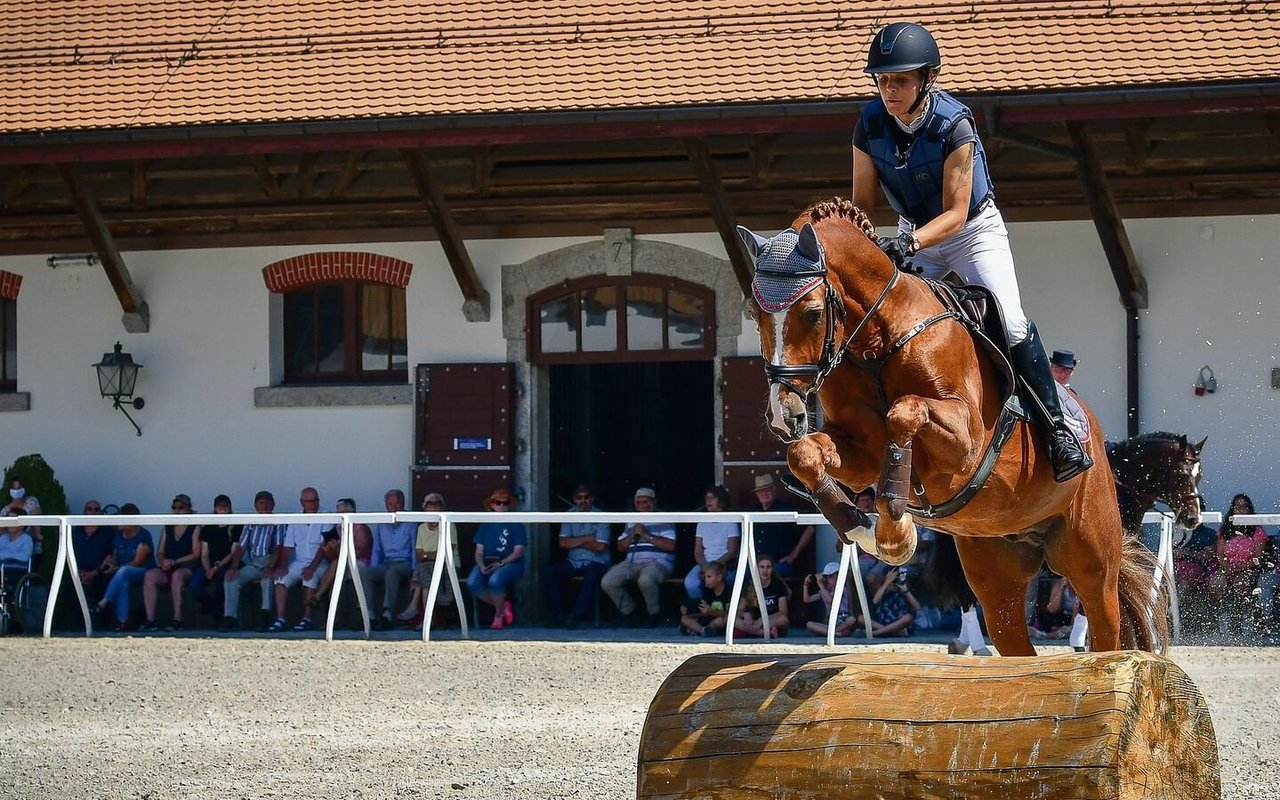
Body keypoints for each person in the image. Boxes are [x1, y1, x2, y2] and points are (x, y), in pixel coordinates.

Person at [853, 22, 1091, 482]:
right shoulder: (869, 124)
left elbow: (956, 213)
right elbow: (862, 203)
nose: (889, 89)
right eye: (882, 80)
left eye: (899, 80)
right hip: (913, 232)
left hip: (970, 231)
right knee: (877, 317)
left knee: (1011, 318)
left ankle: (1056, 427)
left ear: (928, 78)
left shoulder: (954, 123)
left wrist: (910, 242)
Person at [600, 487, 678, 625]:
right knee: (608, 582)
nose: (644, 505)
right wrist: (632, 535)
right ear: (636, 504)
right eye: (640, 502)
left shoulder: (664, 519)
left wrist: (646, 535)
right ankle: (630, 612)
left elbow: (670, 546)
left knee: (645, 580)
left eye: (647, 501)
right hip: (633, 561)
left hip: (658, 562)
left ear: (654, 502)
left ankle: (654, 613)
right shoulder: (631, 520)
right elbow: (620, 547)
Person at [266, 487, 336, 633]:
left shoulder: (327, 515)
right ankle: (281, 619)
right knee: (280, 579)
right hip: (299, 561)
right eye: (309, 501)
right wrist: (283, 565)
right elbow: (288, 546)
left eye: (315, 500)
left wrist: (312, 568)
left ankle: (307, 619)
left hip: (320, 561)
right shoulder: (295, 517)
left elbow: (324, 547)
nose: (313, 504)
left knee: (310, 578)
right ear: (302, 502)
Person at [546, 484, 612, 629]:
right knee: (551, 573)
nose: (583, 500)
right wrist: (588, 538)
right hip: (573, 561)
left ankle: (576, 616)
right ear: (574, 499)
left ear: (592, 499)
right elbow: (562, 543)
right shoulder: (569, 515)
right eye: (579, 497)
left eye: (586, 497)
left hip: (597, 561)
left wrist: (575, 542)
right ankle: (558, 616)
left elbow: (601, 547)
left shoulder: (602, 516)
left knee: (592, 574)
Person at [220, 490, 287, 632]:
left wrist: (270, 566)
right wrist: (234, 567)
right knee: (231, 578)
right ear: (256, 505)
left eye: (267, 503)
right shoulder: (250, 523)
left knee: (268, 579)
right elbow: (241, 547)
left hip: (270, 560)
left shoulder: (278, 522)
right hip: (254, 563)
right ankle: (230, 617)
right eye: (261, 503)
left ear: (273, 505)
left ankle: (265, 615)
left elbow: (278, 548)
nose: (264, 506)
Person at [397, 492, 460, 630]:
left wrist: (428, 555)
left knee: (422, 573)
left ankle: (416, 610)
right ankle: (428, 619)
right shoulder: (421, 528)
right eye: (429, 505)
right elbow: (419, 554)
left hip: (447, 565)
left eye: (436, 504)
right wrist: (431, 555)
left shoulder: (449, 525)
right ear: (424, 508)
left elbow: (446, 551)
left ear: (441, 507)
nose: (433, 508)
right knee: (425, 577)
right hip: (426, 566)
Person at [466, 488, 527, 630]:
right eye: (498, 503)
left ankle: (498, 615)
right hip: (488, 561)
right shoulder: (485, 524)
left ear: (509, 505)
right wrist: (481, 565)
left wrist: (500, 564)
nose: (501, 506)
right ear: (492, 505)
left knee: (495, 580)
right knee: (472, 583)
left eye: (505, 503)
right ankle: (502, 605)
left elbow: (518, 552)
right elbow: (478, 552)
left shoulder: (516, 523)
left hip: (512, 563)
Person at [140, 493, 201, 632]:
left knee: (177, 576)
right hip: (168, 566)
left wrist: (174, 562)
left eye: (181, 507)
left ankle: (177, 619)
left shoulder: (195, 526)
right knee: (150, 575)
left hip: (187, 567)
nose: (177, 510)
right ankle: (150, 620)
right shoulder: (168, 526)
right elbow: (160, 551)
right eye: (175, 507)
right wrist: (164, 561)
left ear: (189, 509)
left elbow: (196, 553)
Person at [1210, 493, 1268, 635]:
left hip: (1249, 567)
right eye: (1237, 507)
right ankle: (1216, 618)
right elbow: (1219, 554)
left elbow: (1258, 558)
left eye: (1244, 507)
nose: (1240, 510)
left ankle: (1237, 617)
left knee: (1241, 583)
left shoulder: (1257, 530)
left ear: (1249, 509)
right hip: (1227, 567)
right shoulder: (1225, 530)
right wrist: (1226, 567)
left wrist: (1242, 568)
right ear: (1232, 509)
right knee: (1215, 583)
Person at [359, 489, 418, 630]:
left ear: (403, 503)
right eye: (390, 503)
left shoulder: (411, 522)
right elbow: (376, 549)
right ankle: (369, 615)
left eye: (397, 503)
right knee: (365, 573)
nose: (394, 506)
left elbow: (415, 548)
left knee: (392, 572)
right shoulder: (381, 523)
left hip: (405, 563)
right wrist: (374, 567)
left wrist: (415, 572)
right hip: (386, 562)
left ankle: (387, 615)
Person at [92, 504, 156, 631]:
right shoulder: (118, 535)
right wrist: (110, 564)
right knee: (122, 579)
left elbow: (137, 562)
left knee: (123, 571)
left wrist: (117, 569)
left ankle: (103, 602)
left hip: (144, 572)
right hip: (122, 572)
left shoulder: (144, 535)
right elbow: (116, 558)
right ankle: (123, 621)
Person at [748, 474, 814, 577]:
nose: (764, 494)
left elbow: (810, 528)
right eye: (760, 491)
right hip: (754, 565)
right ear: (756, 494)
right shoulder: (751, 511)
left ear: (774, 490)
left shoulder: (785, 509)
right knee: (733, 577)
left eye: (768, 490)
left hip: (779, 564)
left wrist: (793, 555)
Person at [683, 485, 740, 599]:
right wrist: (705, 567)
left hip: (724, 564)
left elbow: (732, 551)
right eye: (707, 498)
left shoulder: (730, 522)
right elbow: (698, 551)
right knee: (691, 583)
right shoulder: (702, 523)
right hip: (705, 564)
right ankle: (702, 610)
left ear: (722, 500)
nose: (708, 500)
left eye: (712, 498)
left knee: (728, 581)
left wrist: (714, 568)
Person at [189, 494, 240, 622]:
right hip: (209, 565)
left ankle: (218, 614)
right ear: (214, 508)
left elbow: (233, 552)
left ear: (230, 507)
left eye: (225, 505)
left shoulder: (236, 526)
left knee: (223, 586)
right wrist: (208, 569)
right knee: (194, 584)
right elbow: (204, 553)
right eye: (219, 505)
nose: (222, 508)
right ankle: (213, 608)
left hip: (227, 565)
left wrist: (217, 567)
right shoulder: (208, 527)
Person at [733, 553, 791, 638]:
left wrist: (763, 620)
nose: (765, 570)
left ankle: (749, 632)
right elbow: (740, 610)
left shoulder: (778, 585)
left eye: (768, 567)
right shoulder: (749, 585)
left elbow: (783, 612)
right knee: (730, 619)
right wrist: (745, 615)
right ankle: (762, 633)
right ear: (757, 569)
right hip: (753, 621)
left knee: (784, 620)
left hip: (770, 620)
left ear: (772, 569)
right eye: (762, 567)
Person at [71, 499, 116, 605]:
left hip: (99, 573)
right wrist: (79, 572)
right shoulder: (76, 531)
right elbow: (71, 554)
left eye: (96, 510)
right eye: (89, 509)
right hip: (77, 573)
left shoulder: (108, 532)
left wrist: (94, 573)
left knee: (103, 584)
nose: (93, 512)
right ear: (84, 512)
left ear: (101, 513)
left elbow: (110, 557)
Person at [678, 561, 731, 637]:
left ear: (719, 577)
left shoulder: (728, 590)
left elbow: (728, 614)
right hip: (706, 619)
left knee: (721, 620)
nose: (706, 580)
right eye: (705, 577)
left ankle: (696, 630)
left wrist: (711, 612)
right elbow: (702, 610)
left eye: (709, 577)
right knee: (684, 618)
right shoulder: (707, 590)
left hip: (718, 620)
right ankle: (703, 630)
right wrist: (688, 611)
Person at [803, 562, 857, 637]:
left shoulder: (842, 589)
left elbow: (830, 600)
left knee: (852, 619)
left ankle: (829, 633)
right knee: (809, 624)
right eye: (827, 577)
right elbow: (807, 599)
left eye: (831, 576)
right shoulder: (824, 591)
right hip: (831, 623)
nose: (828, 579)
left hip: (844, 620)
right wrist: (806, 585)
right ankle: (837, 633)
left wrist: (821, 585)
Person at [866, 566, 921, 637]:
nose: (893, 582)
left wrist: (905, 589)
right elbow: (875, 601)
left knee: (908, 617)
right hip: (884, 621)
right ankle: (893, 631)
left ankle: (875, 633)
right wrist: (886, 583)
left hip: (899, 622)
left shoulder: (903, 589)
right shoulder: (883, 588)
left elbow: (917, 607)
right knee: (861, 618)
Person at [2, 474, 43, 569]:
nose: (16, 491)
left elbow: (36, 518)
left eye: (19, 488)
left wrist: (36, 534)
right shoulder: (5, 510)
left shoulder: (31, 502)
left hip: (31, 544)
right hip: (9, 543)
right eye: (14, 488)